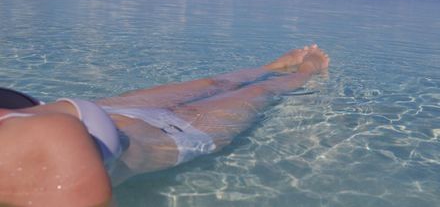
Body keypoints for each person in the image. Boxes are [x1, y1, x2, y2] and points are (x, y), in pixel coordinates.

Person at [0, 45, 329, 207]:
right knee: (259, 91)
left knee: (212, 82)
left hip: (98, 113)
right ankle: (302, 74)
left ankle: (269, 67)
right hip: (148, 136)